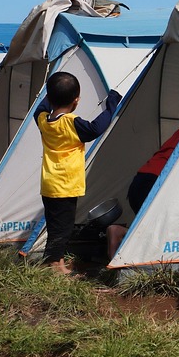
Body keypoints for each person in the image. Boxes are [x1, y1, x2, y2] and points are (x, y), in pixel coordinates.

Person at [34, 71, 122, 274]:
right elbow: (95, 129)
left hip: (49, 183)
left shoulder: (43, 121)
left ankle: (56, 261)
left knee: (55, 224)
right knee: (63, 228)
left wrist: (51, 95)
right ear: (76, 101)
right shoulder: (71, 123)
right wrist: (112, 104)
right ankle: (55, 266)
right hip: (65, 184)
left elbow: (41, 108)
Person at [106, 124, 179, 257]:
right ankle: (121, 233)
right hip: (158, 180)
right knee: (162, 232)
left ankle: (117, 253)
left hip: (141, 178)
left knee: (150, 229)